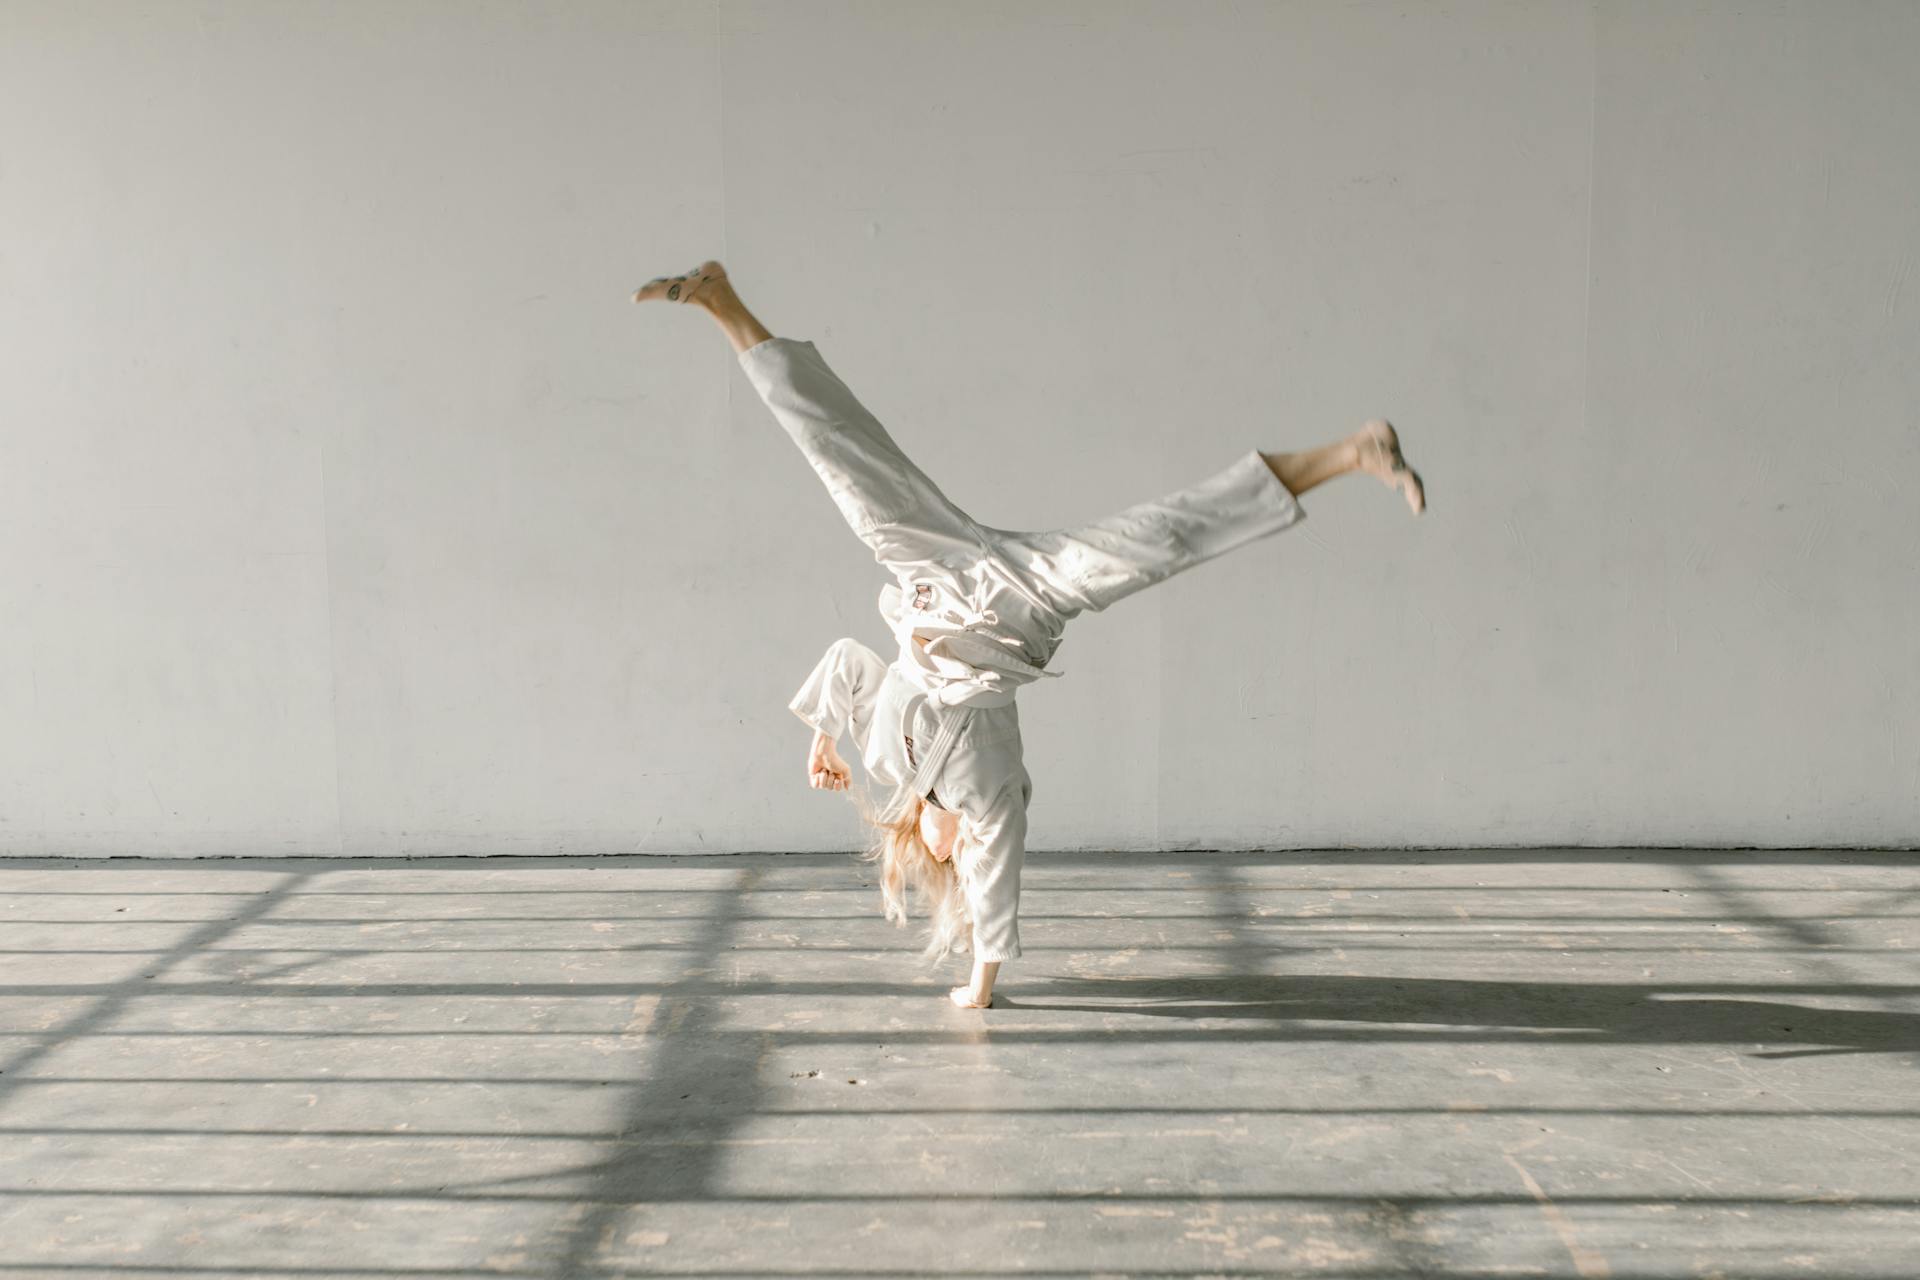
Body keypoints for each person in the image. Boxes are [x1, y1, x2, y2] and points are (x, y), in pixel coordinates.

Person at [632, 260, 1424, 1009]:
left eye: (933, 854)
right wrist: (982, 983)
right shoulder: (990, 798)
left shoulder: (885, 759)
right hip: (1021, 602)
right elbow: (997, 877)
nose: (946, 852)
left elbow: (848, 662)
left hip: (933, 574)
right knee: (1162, 539)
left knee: (842, 455)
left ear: (917, 838)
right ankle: (1352, 453)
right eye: (951, 860)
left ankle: (722, 302)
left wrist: (821, 739)